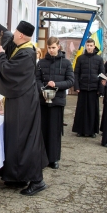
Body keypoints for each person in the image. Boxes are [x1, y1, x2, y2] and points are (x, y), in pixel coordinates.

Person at [0, 9, 48, 196]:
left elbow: (10, 71)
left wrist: (1, 55)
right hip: (19, 102)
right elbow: (4, 33)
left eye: (15, 33)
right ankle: (17, 176)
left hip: (24, 104)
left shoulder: (27, 54)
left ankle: (37, 180)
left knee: (25, 140)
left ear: (21, 35)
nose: (11, 37)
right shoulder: (20, 45)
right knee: (16, 140)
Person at [36, 37, 74, 169]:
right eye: (49, 48)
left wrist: (56, 84)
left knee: (54, 131)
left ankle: (54, 158)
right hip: (43, 101)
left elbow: (70, 81)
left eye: (53, 47)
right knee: (42, 130)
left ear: (58, 47)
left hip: (57, 101)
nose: (51, 50)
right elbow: (37, 79)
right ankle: (42, 157)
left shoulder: (66, 63)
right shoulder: (41, 62)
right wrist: (42, 89)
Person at [72, 38, 105, 138]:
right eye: (88, 45)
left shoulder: (99, 59)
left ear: (94, 46)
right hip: (82, 87)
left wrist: (100, 89)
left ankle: (92, 131)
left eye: (91, 46)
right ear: (86, 46)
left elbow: (102, 74)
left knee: (92, 110)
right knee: (81, 110)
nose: (89, 47)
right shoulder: (80, 58)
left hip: (94, 89)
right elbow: (76, 74)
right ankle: (80, 130)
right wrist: (76, 86)